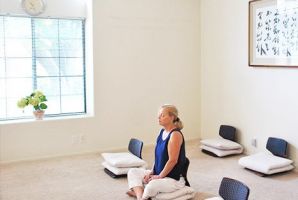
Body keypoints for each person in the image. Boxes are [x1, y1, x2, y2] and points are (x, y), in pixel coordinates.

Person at [126, 104, 187, 200]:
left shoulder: (175, 135)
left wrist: (159, 176)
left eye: (162, 115)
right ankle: (140, 196)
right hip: (159, 173)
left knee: (152, 186)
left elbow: (173, 161)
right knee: (132, 172)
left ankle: (141, 194)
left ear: (172, 117)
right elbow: (158, 156)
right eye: (159, 115)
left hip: (172, 179)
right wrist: (152, 172)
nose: (159, 117)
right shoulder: (162, 132)